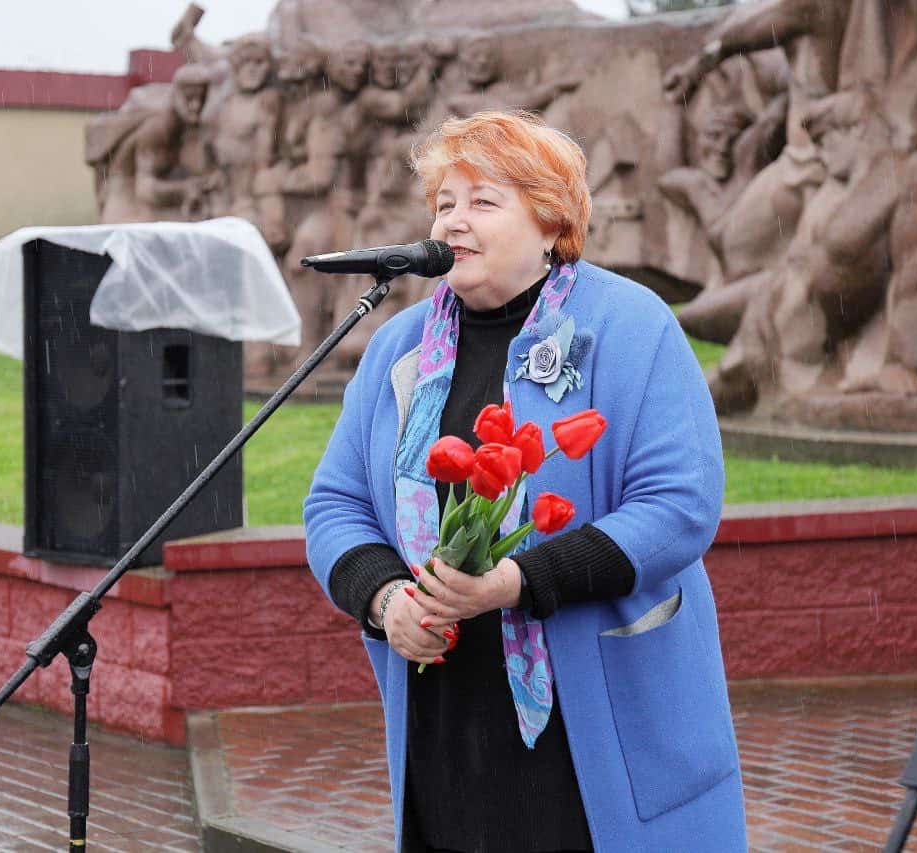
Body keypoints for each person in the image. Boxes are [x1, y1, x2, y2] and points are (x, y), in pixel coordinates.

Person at [304, 110, 745, 851]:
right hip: (447, 724)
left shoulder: (633, 327)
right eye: (444, 202)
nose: (453, 221)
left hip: (596, 731)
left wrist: (516, 580)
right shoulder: (398, 349)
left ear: (551, 222)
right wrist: (386, 600)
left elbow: (679, 504)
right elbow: (335, 503)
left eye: (483, 201)